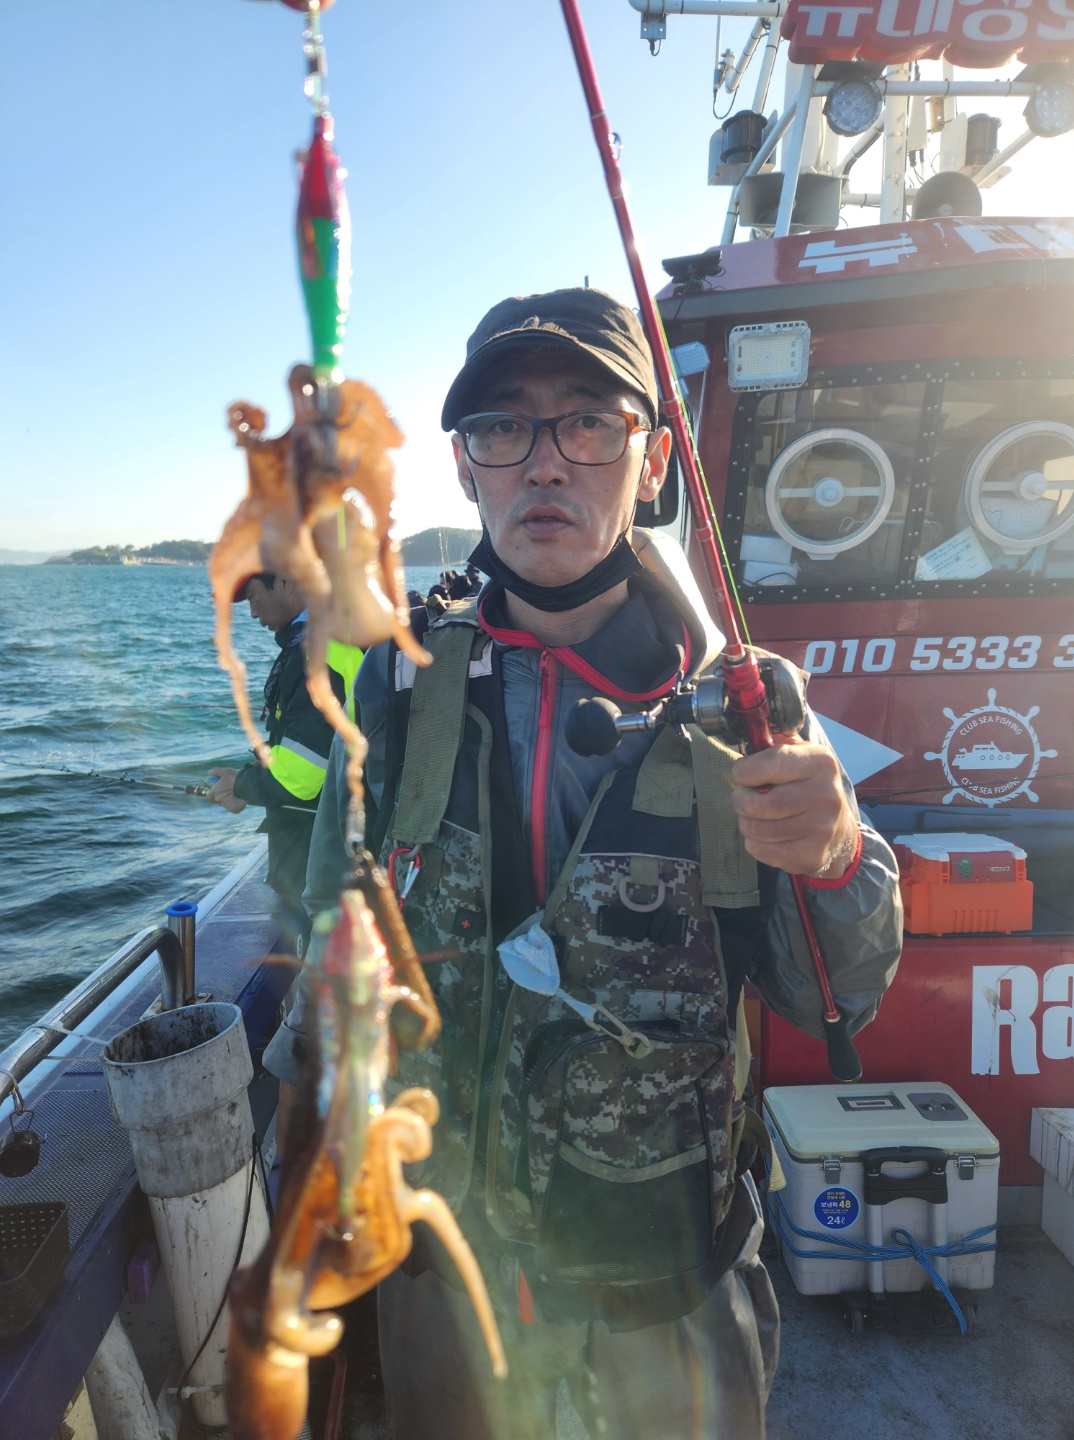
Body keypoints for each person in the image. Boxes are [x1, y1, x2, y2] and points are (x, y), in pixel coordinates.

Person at [276, 288, 903, 1439]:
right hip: (446, 1260)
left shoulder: (747, 706)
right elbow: (335, 928)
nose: (544, 462)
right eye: (502, 427)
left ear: (652, 458)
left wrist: (837, 856)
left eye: (589, 423)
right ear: (465, 469)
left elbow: (835, 996)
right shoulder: (399, 682)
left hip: (668, 1266)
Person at [206, 572, 362, 952]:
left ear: (287, 582)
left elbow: (303, 774)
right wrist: (249, 776)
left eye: (253, 596)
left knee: (319, 958)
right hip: (346, 838)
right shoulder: (334, 634)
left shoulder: (313, 651)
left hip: (318, 854)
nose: (251, 612)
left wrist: (241, 785)